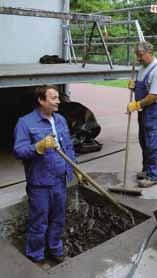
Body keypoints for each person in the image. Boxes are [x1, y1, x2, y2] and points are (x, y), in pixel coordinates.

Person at [13, 85, 82, 264]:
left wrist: (75, 168)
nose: (58, 101)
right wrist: (38, 147)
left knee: (58, 218)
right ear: (41, 101)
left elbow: (68, 147)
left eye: (58, 97)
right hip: (40, 183)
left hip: (60, 180)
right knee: (39, 220)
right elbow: (19, 151)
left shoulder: (60, 120)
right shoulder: (25, 123)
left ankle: (55, 249)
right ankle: (36, 255)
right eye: (53, 98)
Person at [127, 41, 157, 188]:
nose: (138, 58)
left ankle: (153, 176)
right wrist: (133, 87)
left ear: (150, 53)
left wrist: (137, 105)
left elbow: (153, 96)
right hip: (144, 112)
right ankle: (146, 170)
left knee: (153, 144)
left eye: (141, 55)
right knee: (144, 141)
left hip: (154, 111)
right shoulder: (143, 68)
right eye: (137, 56)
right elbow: (142, 88)